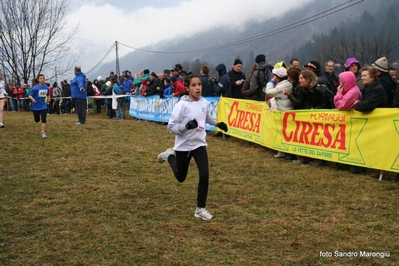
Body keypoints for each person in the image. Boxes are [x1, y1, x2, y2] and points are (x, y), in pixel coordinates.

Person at [157, 74, 228, 221]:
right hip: (183, 146)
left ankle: (200, 209)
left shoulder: (204, 103)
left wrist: (217, 124)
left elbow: (206, 117)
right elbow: (171, 127)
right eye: (194, 85)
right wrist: (186, 126)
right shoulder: (182, 105)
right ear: (188, 87)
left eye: (199, 85)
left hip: (199, 144)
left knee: (204, 174)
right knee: (181, 177)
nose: (197, 88)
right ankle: (170, 155)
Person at [28, 74, 49, 138]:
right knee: (37, 120)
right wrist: (33, 99)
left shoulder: (46, 87)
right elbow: (30, 95)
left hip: (43, 106)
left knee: (44, 119)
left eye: (43, 78)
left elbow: (48, 94)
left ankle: (43, 132)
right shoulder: (35, 88)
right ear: (38, 80)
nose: (42, 79)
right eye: (41, 78)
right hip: (36, 106)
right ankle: (36, 118)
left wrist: (49, 98)